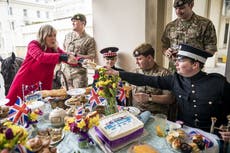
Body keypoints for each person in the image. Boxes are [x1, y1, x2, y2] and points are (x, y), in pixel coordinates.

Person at [106, 43, 230, 135]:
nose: (175, 63)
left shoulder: (218, 83)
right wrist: (117, 73)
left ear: (195, 65)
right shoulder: (176, 80)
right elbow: (146, 79)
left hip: (212, 135)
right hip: (183, 133)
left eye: (180, 60)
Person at [6, 24, 81, 106]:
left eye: (54, 35)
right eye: (49, 36)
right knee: (16, 110)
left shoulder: (54, 48)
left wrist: (80, 60)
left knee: (39, 112)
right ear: (43, 36)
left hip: (42, 85)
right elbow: (41, 56)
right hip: (25, 84)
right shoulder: (33, 44)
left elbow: (66, 56)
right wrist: (63, 57)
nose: (53, 38)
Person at [161, 0, 217, 71]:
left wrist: (191, 57)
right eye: (176, 8)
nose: (178, 11)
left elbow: (211, 50)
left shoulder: (205, 24)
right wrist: (166, 51)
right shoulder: (170, 26)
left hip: (193, 71)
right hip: (174, 70)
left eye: (182, 8)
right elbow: (164, 46)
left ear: (191, 5)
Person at [131, 43, 174, 116]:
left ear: (149, 58)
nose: (136, 62)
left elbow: (170, 99)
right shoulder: (135, 72)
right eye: (136, 59)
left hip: (155, 115)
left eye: (139, 59)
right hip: (136, 113)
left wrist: (149, 98)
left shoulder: (164, 74)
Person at [62, 13, 96, 88]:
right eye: (72, 21)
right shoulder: (68, 36)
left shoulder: (89, 39)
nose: (72, 23)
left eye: (75, 21)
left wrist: (76, 55)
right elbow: (64, 49)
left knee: (79, 97)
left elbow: (91, 57)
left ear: (83, 23)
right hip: (66, 72)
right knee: (66, 96)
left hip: (79, 75)